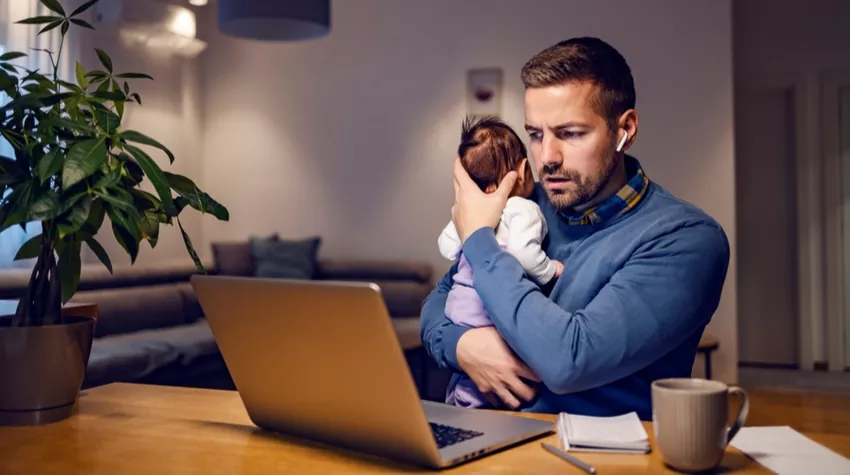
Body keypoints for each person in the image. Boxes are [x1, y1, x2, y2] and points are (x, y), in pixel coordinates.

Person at [419, 37, 730, 420]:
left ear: (625, 130)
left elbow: (569, 361)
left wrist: (478, 237)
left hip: (601, 458)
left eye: (570, 134)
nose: (546, 157)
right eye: (535, 134)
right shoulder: (527, 206)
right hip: (487, 440)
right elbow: (439, 303)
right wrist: (462, 345)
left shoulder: (686, 240)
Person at [438, 115, 564, 409]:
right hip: (490, 317)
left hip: (459, 310)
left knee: (467, 380)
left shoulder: (467, 214)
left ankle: (460, 402)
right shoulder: (525, 209)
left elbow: (446, 248)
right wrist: (551, 270)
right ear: (522, 171)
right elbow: (524, 255)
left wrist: (471, 227)